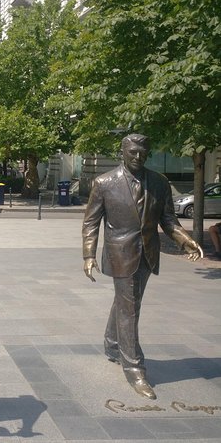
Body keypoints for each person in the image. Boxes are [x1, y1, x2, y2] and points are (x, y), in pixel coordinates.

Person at [82, 134, 203, 400]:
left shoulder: (159, 183)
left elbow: (169, 220)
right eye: (132, 153)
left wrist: (186, 241)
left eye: (142, 153)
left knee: (127, 302)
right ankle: (134, 367)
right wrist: (88, 255)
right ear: (123, 152)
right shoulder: (104, 183)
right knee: (130, 307)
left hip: (148, 254)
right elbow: (91, 223)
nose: (138, 157)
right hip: (119, 253)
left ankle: (113, 345)